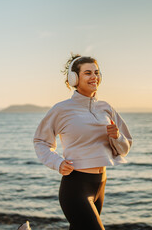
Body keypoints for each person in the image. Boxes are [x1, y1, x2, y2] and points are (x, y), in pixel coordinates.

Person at [33, 54, 132, 230]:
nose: (94, 76)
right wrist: (57, 163)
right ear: (74, 78)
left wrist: (116, 137)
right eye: (87, 73)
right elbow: (41, 140)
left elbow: (124, 149)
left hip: (100, 184)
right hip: (76, 187)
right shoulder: (61, 109)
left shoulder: (106, 108)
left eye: (96, 72)